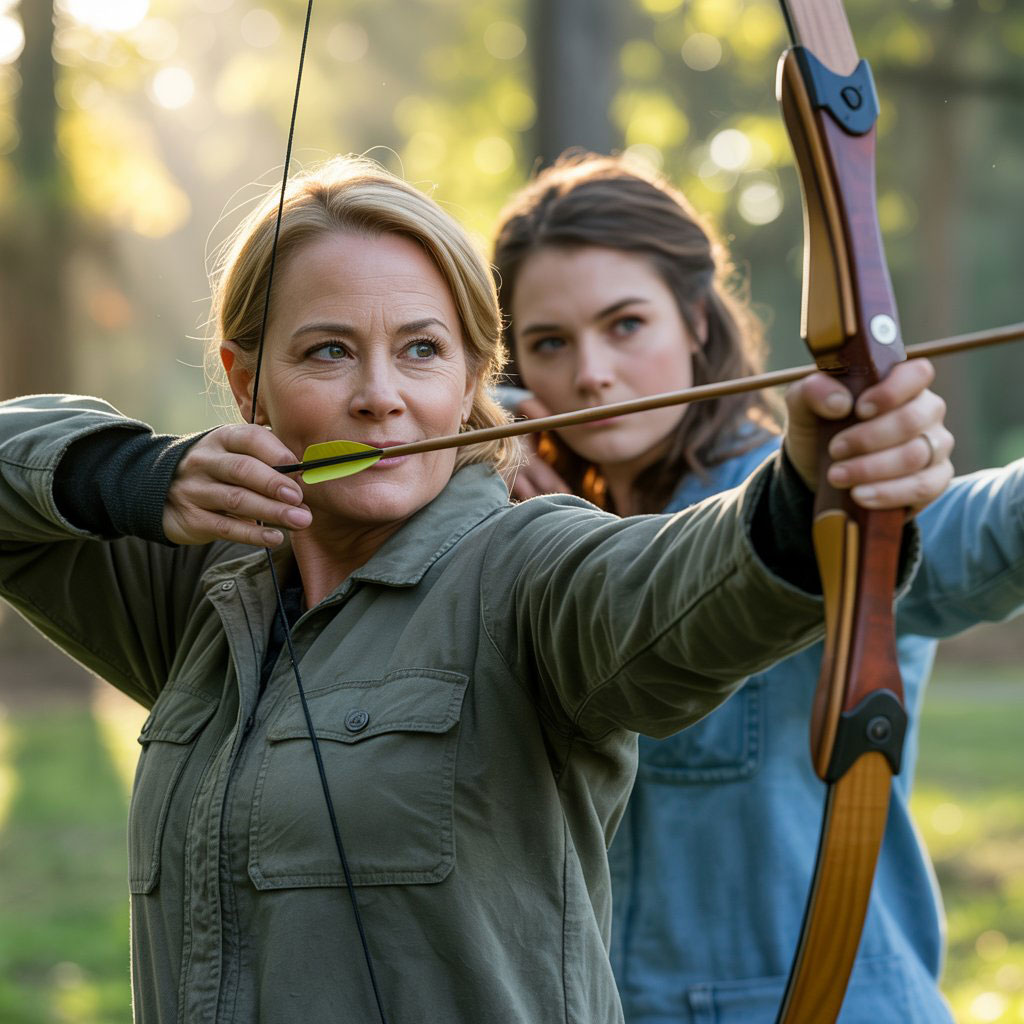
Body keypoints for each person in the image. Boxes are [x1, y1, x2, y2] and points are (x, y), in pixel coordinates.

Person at [0, 155, 951, 1024]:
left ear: (469, 381)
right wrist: (130, 477)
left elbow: (672, 593)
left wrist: (807, 496)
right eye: (328, 350)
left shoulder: (529, 570)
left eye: (421, 349)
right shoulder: (203, 591)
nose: (381, 395)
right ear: (246, 379)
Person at [491, 152, 1020, 1024]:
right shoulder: (535, 529)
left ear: (697, 320)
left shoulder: (798, 504)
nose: (590, 374)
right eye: (550, 343)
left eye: (625, 325)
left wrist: (868, 472)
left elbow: (983, 531)